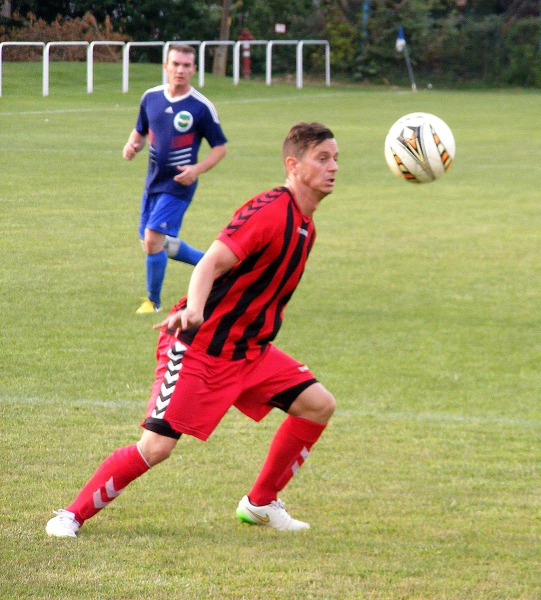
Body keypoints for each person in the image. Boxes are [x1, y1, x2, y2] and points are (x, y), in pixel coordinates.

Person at [47, 122, 339, 537]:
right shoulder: (271, 209)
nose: (333, 167)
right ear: (293, 165)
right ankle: (70, 515)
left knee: (317, 404)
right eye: (322, 158)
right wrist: (195, 309)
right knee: (156, 447)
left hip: (248, 352)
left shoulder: (306, 226)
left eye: (335, 159)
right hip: (199, 347)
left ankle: (260, 504)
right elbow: (210, 262)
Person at [123, 43, 228, 314]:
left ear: (194, 69)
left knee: (152, 238)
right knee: (156, 244)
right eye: (175, 64)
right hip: (153, 183)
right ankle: (215, 266)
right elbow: (140, 131)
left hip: (179, 184)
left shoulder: (201, 107)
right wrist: (132, 145)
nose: (180, 70)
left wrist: (198, 169)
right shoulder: (151, 98)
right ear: (166, 67)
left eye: (186, 65)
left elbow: (220, 147)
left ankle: (153, 302)